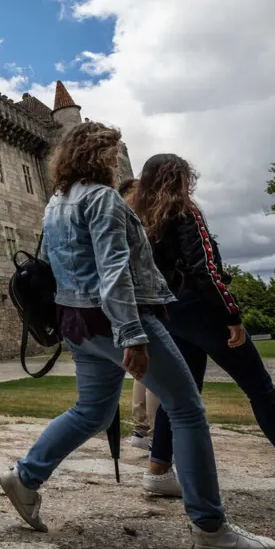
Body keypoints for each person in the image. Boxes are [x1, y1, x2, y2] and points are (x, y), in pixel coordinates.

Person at [0, 123, 275, 549]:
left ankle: (26, 476)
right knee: (186, 410)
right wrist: (134, 336)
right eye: (110, 153)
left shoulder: (56, 203)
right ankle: (210, 526)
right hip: (116, 321)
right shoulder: (102, 199)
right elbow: (114, 272)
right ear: (100, 158)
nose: (115, 161)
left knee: (90, 411)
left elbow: (53, 266)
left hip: (78, 324)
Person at [134, 153, 275, 510]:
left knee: (179, 394)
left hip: (172, 314)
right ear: (180, 180)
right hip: (202, 310)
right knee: (261, 390)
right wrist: (232, 315)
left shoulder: (144, 221)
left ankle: (159, 468)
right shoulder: (185, 212)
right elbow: (207, 271)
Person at [118, 177, 159, 452]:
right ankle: (158, 435)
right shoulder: (141, 224)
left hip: (132, 305)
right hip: (150, 302)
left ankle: (142, 430)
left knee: (142, 372)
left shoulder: (118, 220)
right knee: (160, 374)